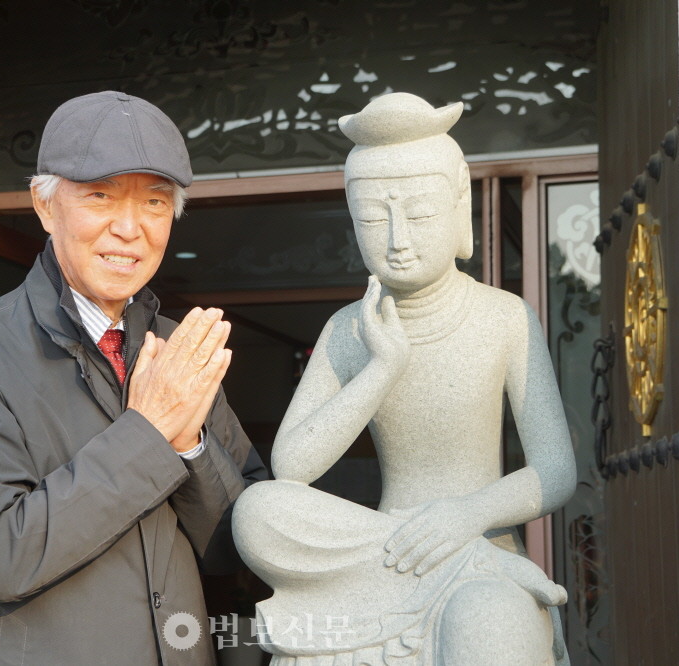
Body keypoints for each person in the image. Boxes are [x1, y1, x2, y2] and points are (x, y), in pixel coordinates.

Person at [0, 91, 267, 665]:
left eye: (154, 203)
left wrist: (190, 444)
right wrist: (151, 433)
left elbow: (241, 547)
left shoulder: (179, 353)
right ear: (45, 206)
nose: (129, 229)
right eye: (100, 197)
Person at [232, 93, 576, 664]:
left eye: (417, 215)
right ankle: (474, 564)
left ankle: (480, 566)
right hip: (384, 552)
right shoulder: (349, 330)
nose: (396, 238)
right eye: (372, 218)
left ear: (458, 207)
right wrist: (381, 367)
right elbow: (292, 468)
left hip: (472, 533)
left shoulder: (504, 316)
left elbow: (556, 470)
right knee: (258, 511)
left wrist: (467, 516)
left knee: (490, 626)